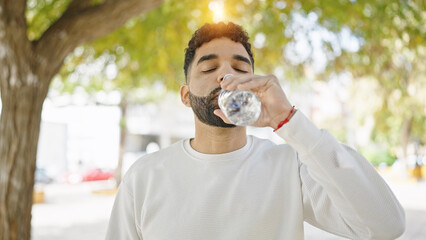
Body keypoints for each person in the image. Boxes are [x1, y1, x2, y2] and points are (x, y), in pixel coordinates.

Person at [106, 22, 405, 240]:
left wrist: (289, 121)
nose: (226, 76)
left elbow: (385, 225)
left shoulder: (290, 167)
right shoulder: (145, 176)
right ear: (186, 95)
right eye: (209, 69)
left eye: (240, 68)